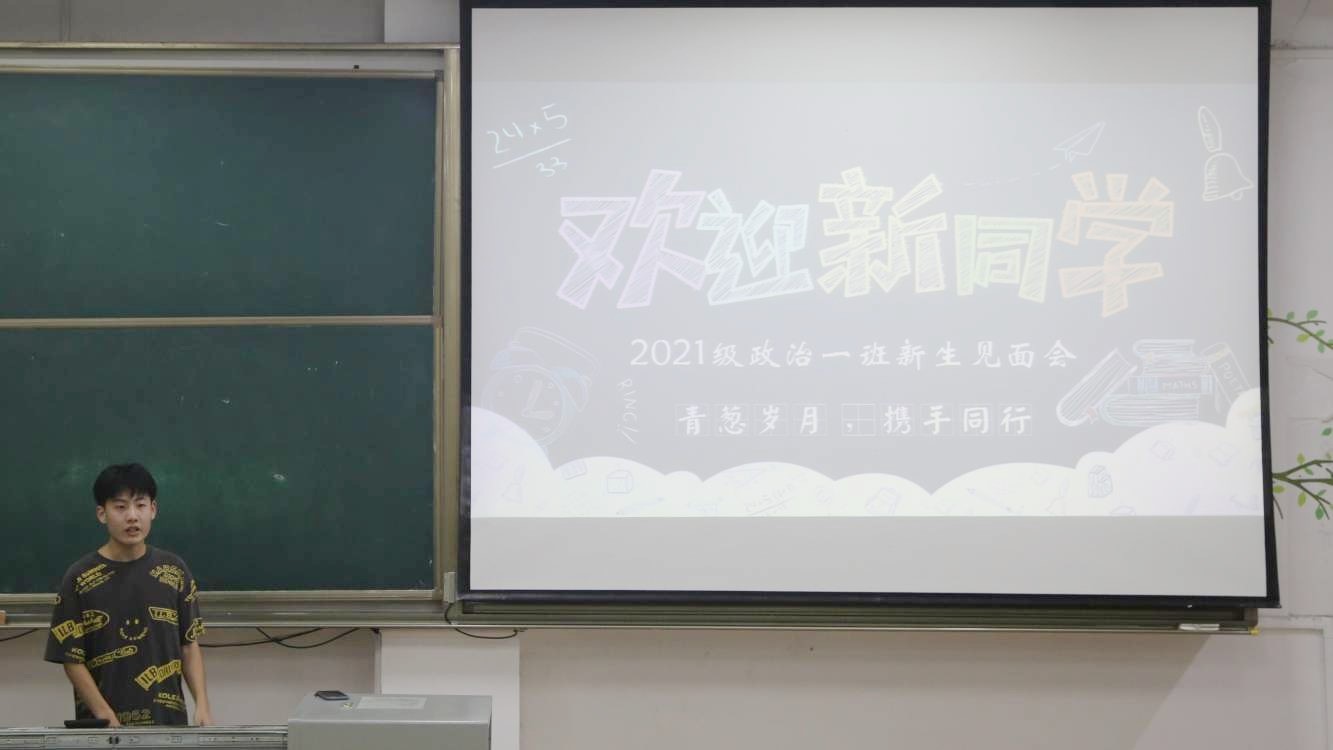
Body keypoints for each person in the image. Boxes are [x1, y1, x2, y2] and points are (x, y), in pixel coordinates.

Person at [44, 463, 213, 727]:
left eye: (140, 505)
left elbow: (189, 645)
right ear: (102, 514)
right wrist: (103, 713)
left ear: (153, 509)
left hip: (167, 723)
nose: (132, 516)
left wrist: (202, 704)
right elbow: (71, 659)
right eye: (120, 507)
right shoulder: (79, 577)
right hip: (103, 729)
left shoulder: (174, 570)